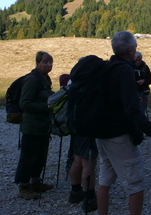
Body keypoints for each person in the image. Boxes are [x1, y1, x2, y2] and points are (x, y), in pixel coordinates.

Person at [96, 31, 151, 215]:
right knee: (135, 183)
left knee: (105, 179)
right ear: (130, 50)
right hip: (119, 135)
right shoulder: (125, 70)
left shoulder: (106, 67)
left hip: (101, 133)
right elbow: (131, 108)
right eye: (135, 47)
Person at [14, 51, 54, 200]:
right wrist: (47, 107)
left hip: (43, 125)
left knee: (40, 155)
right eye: (45, 62)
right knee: (28, 156)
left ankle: (35, 182)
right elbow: (24, 103)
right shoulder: (32, 80)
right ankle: (23, 187)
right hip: (31, 126)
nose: (48, 65)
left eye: (50, 62)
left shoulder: (45, 79)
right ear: (37, 63)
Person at [61, 73, 98, 212]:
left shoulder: (74, 84)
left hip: (75, 128)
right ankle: (89, 198)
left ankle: (75, 192)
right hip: (87, 129)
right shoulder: (91, 87)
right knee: (89, 162)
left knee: (77, 158)